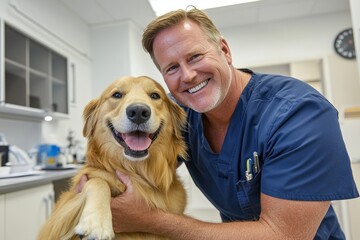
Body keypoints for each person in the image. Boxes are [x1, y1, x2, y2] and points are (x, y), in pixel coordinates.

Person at [90, 7, 359, 239]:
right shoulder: (177, 114)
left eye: (195, 57)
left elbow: (285, 235)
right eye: (171, 68)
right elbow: (121, 168)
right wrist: (96, 187)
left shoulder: (299, 114)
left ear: (224, 50)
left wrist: (152, 220)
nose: (188, 76)